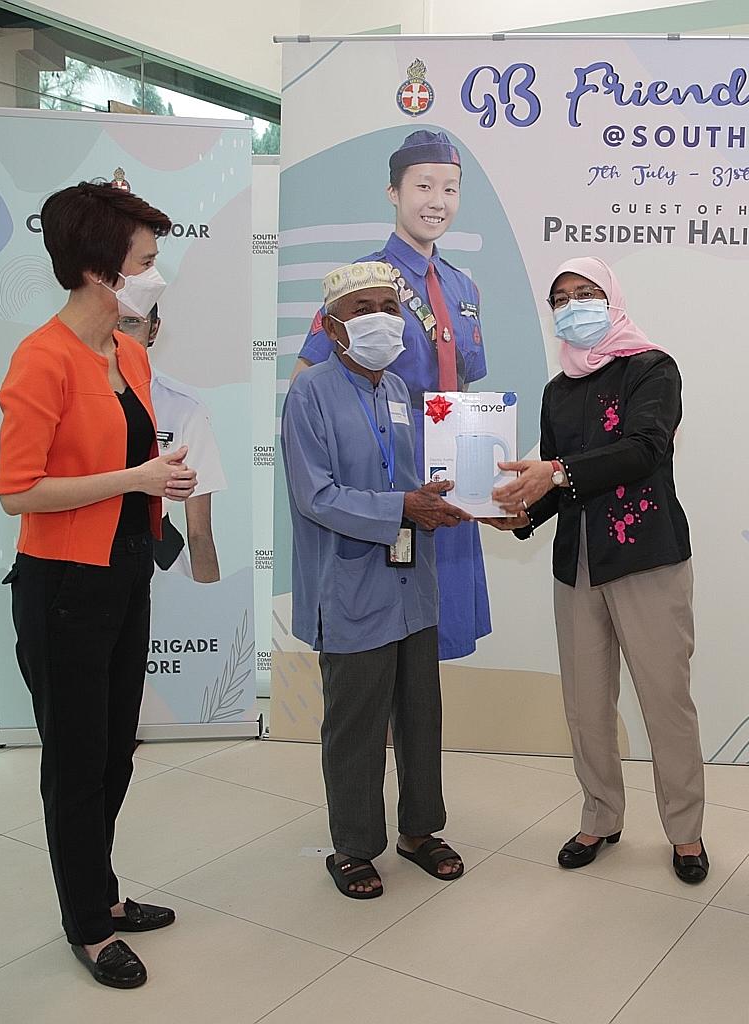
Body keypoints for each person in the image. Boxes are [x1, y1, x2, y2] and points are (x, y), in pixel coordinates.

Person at [0, 182, 196, 989]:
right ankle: (87, 924)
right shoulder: (41, 358)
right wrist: (135, 476)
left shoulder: (133, 353)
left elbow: (135, 461)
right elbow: (19, 491)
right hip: (61, 587)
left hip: (123, 574)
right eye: (146, 261)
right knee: (76, 762)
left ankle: (101, 894)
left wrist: (158, 482)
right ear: (98, 270)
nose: (156, 273)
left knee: (115, 751)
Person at [489, 256, 708, 883]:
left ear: (611, 298)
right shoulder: (558, 390)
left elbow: (645, 449)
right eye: (561, 298)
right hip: (578, 561)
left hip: (645, 554)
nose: (574, 305)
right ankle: (601, 815)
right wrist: (523, 516)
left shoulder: (652, 368)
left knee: (665, 701)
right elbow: (557, 480)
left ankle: (686, 832)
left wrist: (554, 473)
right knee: (586, 704)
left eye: (587, 292)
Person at [281, 260, 471, 900]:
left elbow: (408, 478)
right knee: (356, 723)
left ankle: (421, 831)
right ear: (332, 327)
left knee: (421, 714)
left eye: (389, 307)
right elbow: (317, 496)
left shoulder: (395, 391)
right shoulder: (309, 394)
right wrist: (402, 508)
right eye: (363, 309)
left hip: (410, 585)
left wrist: (447, 498)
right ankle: (354, 848)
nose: (381, 321)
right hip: (351, 587)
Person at [292, 129, 490, 661]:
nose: (437, 202)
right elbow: (307, 379)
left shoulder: (462, 287)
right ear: (393, 193)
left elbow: (466, 388)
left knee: (430, 639)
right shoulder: (366, 285)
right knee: (376, 639)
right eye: (424, 186)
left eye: (450, 189)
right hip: (385, 489)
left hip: (448, 483)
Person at [120, 303, 225, 583]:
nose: (118, 333)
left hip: (160, 566)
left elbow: (200, 532)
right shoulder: (68, 401)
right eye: (110, 320)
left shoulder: (183, 407)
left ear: (153, 329)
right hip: (82, 563)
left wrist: (209, 604)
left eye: (131, 322)